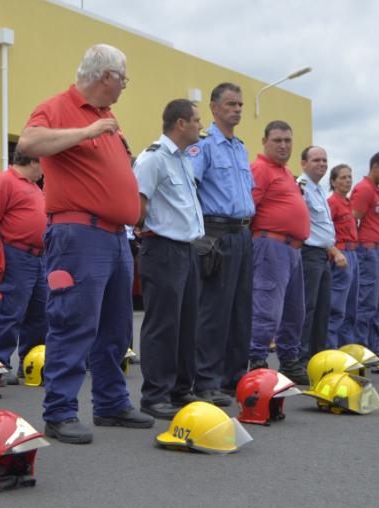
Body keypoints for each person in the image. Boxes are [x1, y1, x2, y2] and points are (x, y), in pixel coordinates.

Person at [16, 44, 154, 444]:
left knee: (115, 326)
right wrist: (87, 132)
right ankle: (59, 411)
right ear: (106, 76)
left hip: (114, 236)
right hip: (78, 234)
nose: (124, 87)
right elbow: (28, 144)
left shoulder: (108, 116)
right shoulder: (59, 107)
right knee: (73, 322)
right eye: (123, 79)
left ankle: (110, 404)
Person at [133, 99, 205, 419]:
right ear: (180, 123)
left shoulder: (183, 160)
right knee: (162, 324)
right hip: (162, 248)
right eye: (196, 121)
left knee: (187, 324)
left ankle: (180, 389)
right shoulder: (153, 159)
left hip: (186, 249)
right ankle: (154, 395)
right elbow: (138, 204)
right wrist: (140, 230)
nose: (199, 127)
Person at [186, 83, 255, 400]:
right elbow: (188, 188)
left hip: (242, 233)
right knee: (214, 311)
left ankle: (234, 377)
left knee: (241, 310)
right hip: (216, 234)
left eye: (240, 104)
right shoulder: (205, 147)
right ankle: (207, 381)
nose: (237, 109)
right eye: (231, 104)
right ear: (213, 107)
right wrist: (197, 234)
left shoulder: (240, 147)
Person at [247, 121, 311, 384]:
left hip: (292, 249)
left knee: (295, 311)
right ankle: (257, 360)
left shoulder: (285, 172)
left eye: (287, 140)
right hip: (271, 246)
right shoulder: (260, 169)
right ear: (264, 142)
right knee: (267, 307)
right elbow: (248, 208)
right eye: (277, 140)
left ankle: (288, 360)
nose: (284, 145)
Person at [0, 152, 48, 384]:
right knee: (10, 312)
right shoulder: (5, 181)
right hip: (17, 253)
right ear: (32, 160)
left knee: (39, 313)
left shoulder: (33, 185)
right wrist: (7, 241)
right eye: (43, 162)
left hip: (38, 256)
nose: (45, 169)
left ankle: (31, 363)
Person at [351, 151, 379, 356]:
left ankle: (373, 345)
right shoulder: (364, 189)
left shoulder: (376, 191)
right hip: (367, 250)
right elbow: (353, 219)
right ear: (375, 167)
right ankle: (362, 348)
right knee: (367, 302)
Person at [297, 146, 342, 356]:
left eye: (324, 160)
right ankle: (301, 356)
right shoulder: (302, 187)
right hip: (309, 254)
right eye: (316, 160)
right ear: (304, 164)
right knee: (308, 308)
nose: (322, 164)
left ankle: (318, 357)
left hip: (322, 255)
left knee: (323, 310)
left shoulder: (318, 189)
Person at [327, 164, 359, 348]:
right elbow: (324, 230)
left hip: (352, 253)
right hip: (341, 254)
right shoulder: (333, 202)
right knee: (336, 307)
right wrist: (334, 252)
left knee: (351, 307)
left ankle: (347, 348)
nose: (348, 180)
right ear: (333, 181)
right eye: (343, 177)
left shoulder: (347, 202)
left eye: (349, 177)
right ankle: (331, 349)